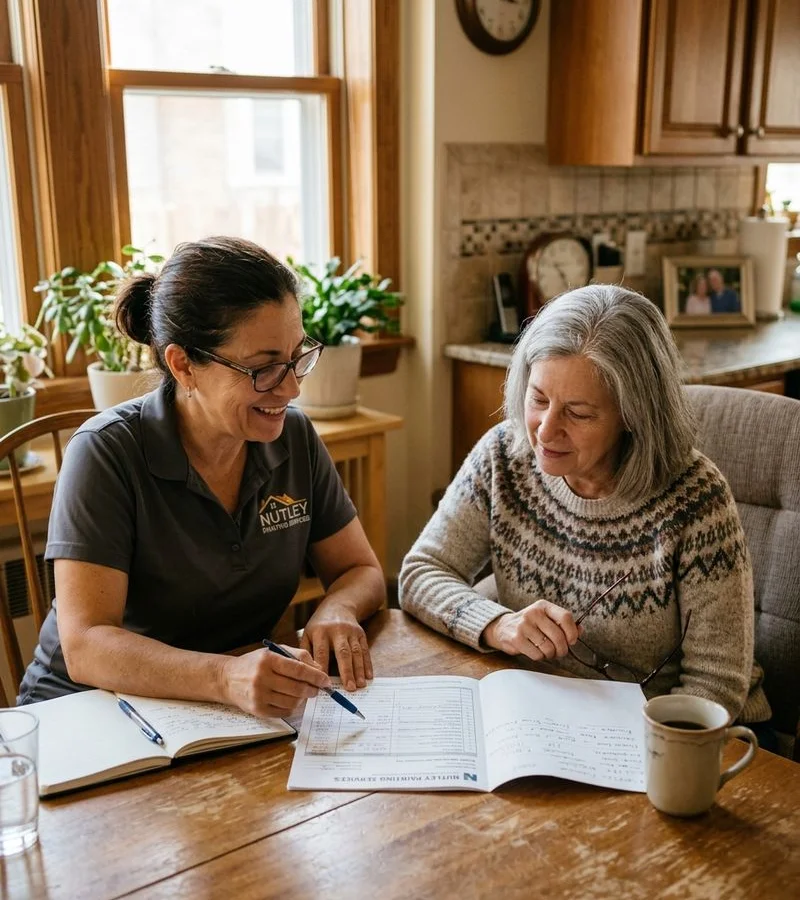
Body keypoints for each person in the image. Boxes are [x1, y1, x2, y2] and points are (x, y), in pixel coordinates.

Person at [18, 236, 385, 719]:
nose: (292, 387)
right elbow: (86, 646)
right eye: (265, 368)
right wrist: (223, 677)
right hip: (88, 716)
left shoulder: (292, 437)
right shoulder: (105, 452)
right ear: (183, 365)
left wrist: (336, 609)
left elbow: (362, 572)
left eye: (297, 357)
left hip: (218, 715)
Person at [399, 285, 771, 731]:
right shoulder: (504, 455)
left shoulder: (695, 499)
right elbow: (421, 571)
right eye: (538, 399)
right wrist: (498, 625)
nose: (545, 430)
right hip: (543, 713)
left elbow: (715, 685)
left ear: (633, 417)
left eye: (578, 413)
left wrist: (637, 747)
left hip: (670, 734)